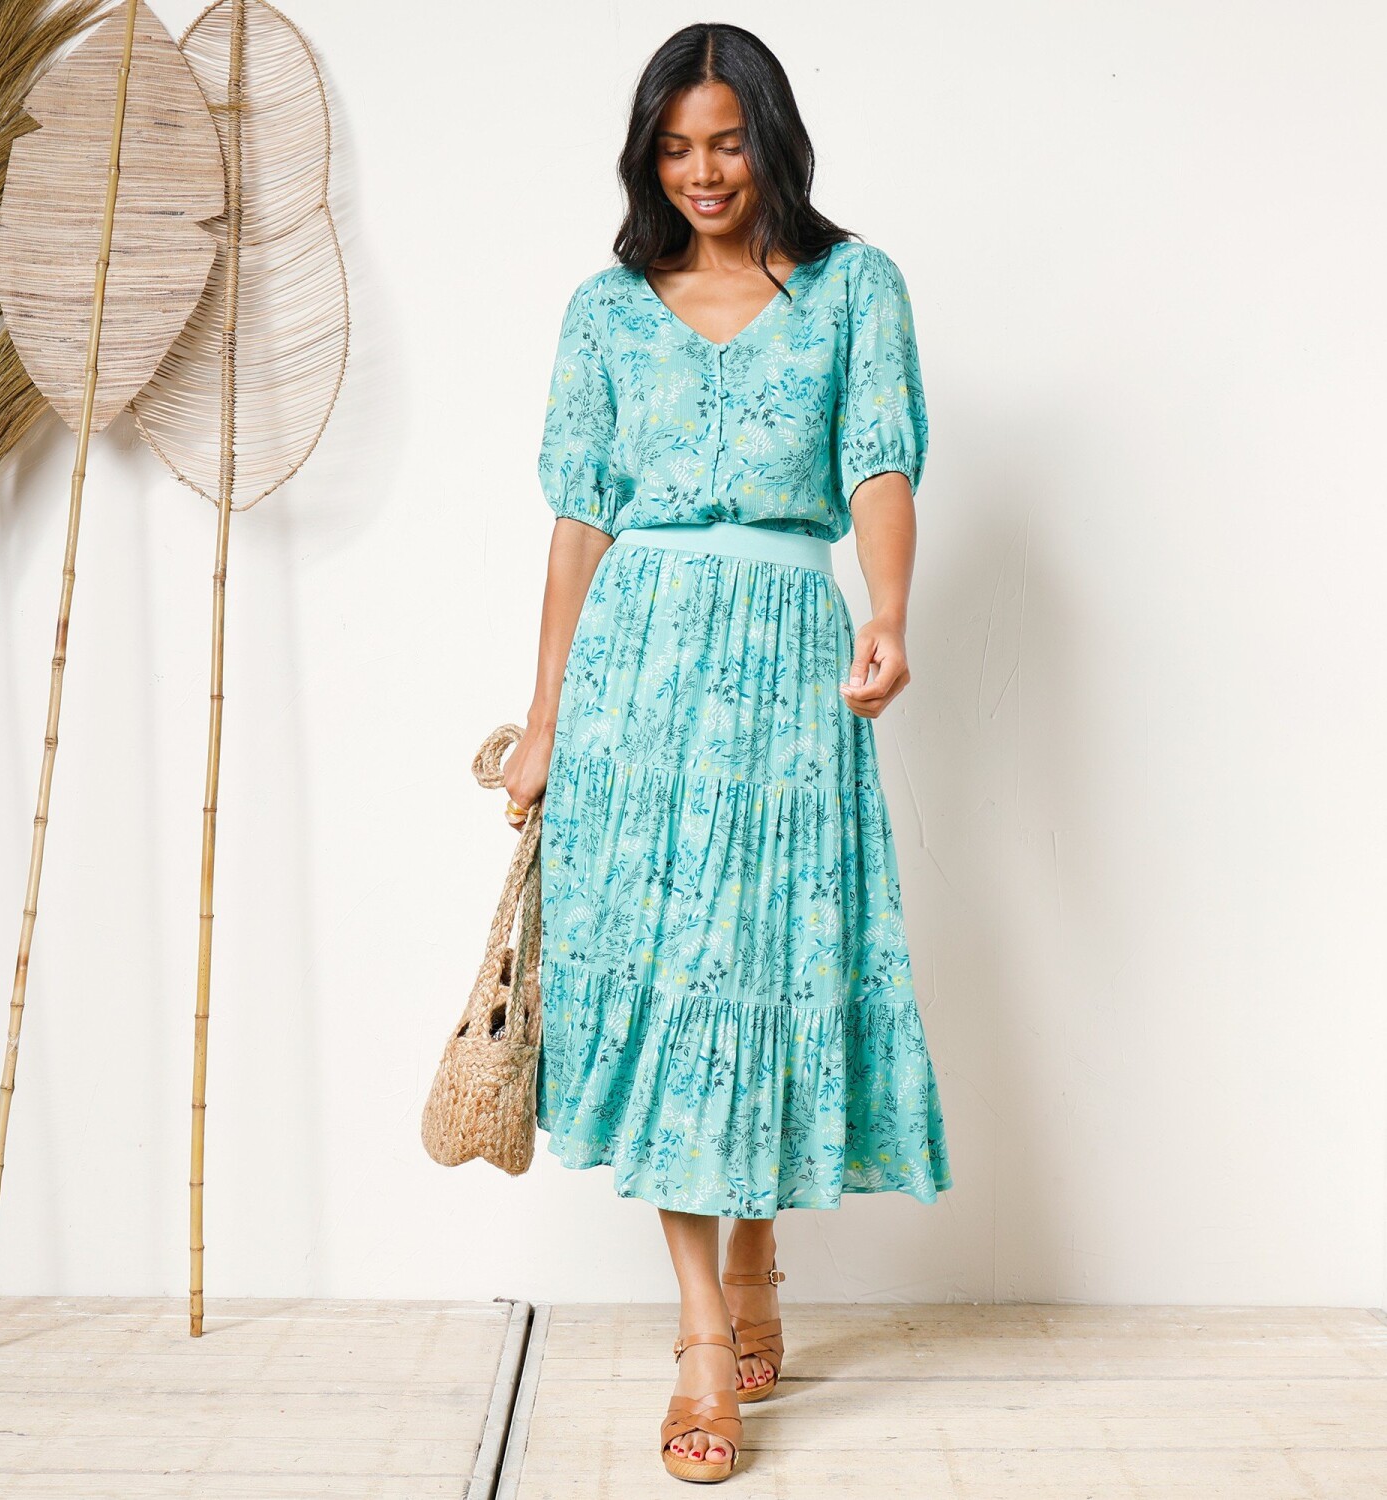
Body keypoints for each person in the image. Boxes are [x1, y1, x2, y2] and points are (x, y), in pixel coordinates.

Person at [501, 22, 953, 1483]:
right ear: (648, 155)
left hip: (782, 665)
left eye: (728, 141)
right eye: (676, 147)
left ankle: (757, 1260)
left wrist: (887, 613)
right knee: (667, 979)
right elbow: (580, 520)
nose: (702, 173)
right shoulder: (604, 311)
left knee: (759, 967)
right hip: (636, 672)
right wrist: (547, 721)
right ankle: (705, 1333)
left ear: (773, 138)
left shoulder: (853, 288)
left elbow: (879, 459)